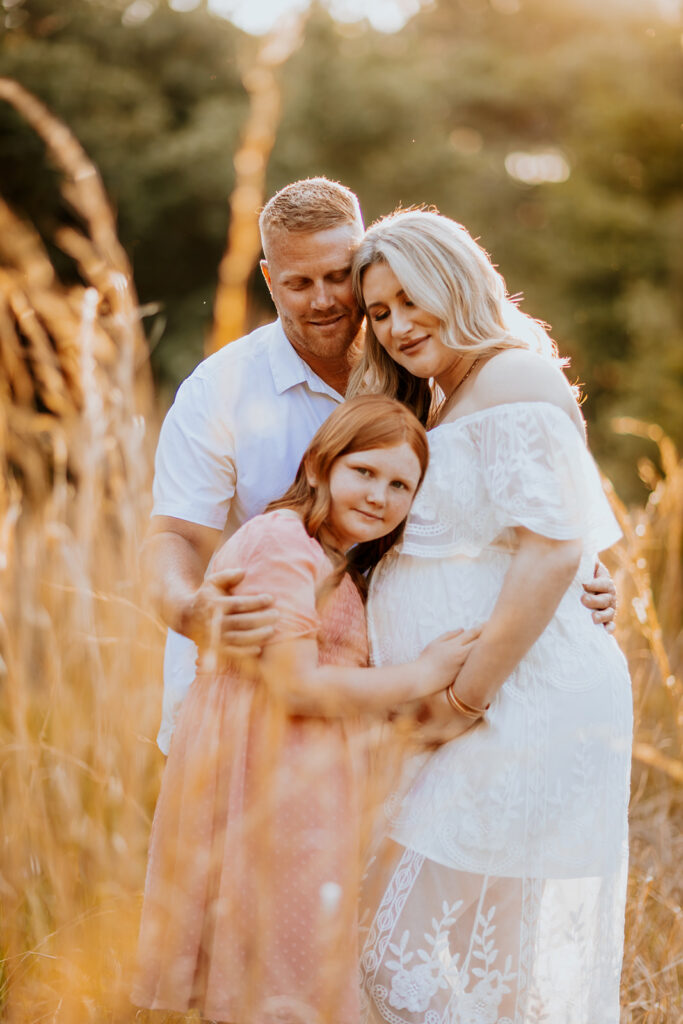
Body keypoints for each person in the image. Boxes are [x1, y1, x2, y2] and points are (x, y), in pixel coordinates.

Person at [143, 177, 617, 756]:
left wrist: (577, 575)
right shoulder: (219, 391)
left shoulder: (423, 369)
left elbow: (512, 511)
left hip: (390, 711)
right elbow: (176, 535)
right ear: (269, 280)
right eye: (298, 283)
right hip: (257, 694)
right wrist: (188, 606)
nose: (322, 300)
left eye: (338, 276)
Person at [349, 210, 633, 1024]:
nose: (397, 325)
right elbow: (533, 532)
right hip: (479, 705)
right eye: (379, 311)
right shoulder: (453, 392)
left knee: (388, 956)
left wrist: (461, 699)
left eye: (411, 298)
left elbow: (551, 551)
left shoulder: (512, 378)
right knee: (493, 968)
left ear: (458, 282)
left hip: (510, 705)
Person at [132, 395, 482, 1023]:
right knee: (277, 958)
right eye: (364, 472)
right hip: (261, 776)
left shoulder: (337, 565)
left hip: (299, 782)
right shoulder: (282, 543)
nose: (380, 495)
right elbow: (297, 688)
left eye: (401, 484)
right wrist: (423, 675)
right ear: (320, 466)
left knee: (290, 951)